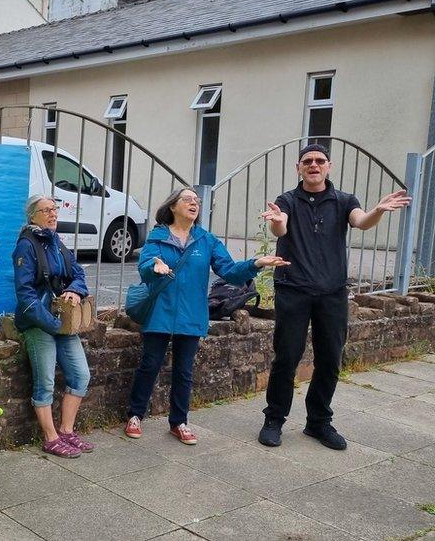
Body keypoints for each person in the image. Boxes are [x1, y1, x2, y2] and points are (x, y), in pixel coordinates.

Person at [257, 144, 410, 450]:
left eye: (319, 161)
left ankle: (318, 422)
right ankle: (274, 419)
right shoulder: (286, 200)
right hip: (293, 290)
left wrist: (378, 210)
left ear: (329, 166)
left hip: (332, 294)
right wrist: (276, 221)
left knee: (330, 360)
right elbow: (280, 228)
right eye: (307, 161)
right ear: (298, 168)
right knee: (286, 358)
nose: (314, 165)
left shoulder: (343, 201)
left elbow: (361, 221)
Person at [124, 187, 288, 444]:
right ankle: (135, 415)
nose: (194, 203)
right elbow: (144, 269)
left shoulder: (206, 240)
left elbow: (230, 271)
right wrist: (154, 267)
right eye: (187, 199)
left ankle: (179, 421)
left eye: (197, 201)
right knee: (149, 365)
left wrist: (255, 264)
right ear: (173, 207)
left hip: (191, 313)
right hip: (160, 311)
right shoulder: (157, 237)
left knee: (184, 371)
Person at [12, 195, 94, 458]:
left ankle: (67, 431)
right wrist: (51, 324)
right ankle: (51, 437)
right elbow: (26, 295)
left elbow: (78, 274)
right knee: (45, 382)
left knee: (81, 375)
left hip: (60, 322)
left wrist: (74, 291)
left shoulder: (57, 242)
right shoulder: (26, 245)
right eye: (45, 210)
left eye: (54, 209)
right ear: (32, 216)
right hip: (38, 323)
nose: (52, 214)